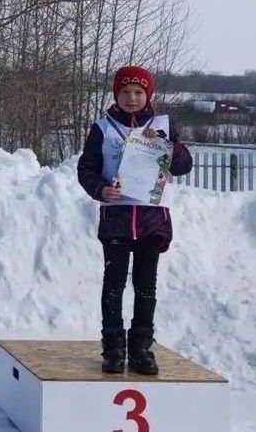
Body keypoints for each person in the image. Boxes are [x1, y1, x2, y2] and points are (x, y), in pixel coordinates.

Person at [77, 65, 192, 375]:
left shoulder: (163, 126)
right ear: (116, 94)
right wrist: (100, 190)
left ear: (148, 95)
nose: (132, 97)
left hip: (152, 219)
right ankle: (113, 348)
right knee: (113, 284)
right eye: (125, 91)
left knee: (145, 285)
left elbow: (183, 165)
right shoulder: (103, 127)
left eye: (138, 92)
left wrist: (166, 146)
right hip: (116, 217)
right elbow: (86, 168)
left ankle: (141, 347)